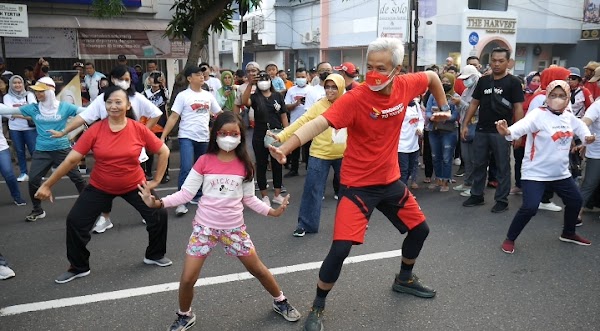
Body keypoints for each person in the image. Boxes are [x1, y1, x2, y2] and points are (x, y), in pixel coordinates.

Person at [269, 38, 448, 331]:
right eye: (370, 67)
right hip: (358, 187)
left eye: (381, 68)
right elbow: (320, 123)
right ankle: (317, 307)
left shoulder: (405, 85)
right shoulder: (356, 97)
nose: (374, 73)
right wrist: (287, 147)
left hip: (390, 182)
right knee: (340, 249)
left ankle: (404, 278)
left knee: (420, 230)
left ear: (397, 69)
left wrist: (443, 107)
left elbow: (431, 77)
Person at [138, 111, 300, 331]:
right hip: (204, 229)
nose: (228, 137)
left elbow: (250, 198)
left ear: (241, 136)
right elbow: (186, 194)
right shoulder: (204, 161)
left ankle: (280, 300)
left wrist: (273, 212)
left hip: (234, 230)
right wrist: (157, 203)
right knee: (187, 279)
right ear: (215, 135)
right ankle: (185, 315)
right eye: (223, 133)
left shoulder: (245, 165)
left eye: (233, 133)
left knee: (259, 270)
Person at [33, 86, 171, 283]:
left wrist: (155, 180)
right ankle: (78, 266)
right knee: (75, 221)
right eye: (109, 102)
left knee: (159, 214)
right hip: (100, 185)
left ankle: (155, 255)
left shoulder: (138, 129)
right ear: (104, 105)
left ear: (128, 104)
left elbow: (164, 151)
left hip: (134, 184)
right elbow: (71, 160)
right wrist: (48, 185)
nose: (113, 106)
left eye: (118, 102)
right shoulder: (96, 130)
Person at [52, 65, 164, 233]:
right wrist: (64, 132)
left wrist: (143, 133)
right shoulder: (102, 99)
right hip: (107, 150)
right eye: (120, 79)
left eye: (127, 79)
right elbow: (84, 117)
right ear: (112, 79)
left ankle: (147, 211)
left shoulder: (137, 98)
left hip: (132, 152)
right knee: (105, 186)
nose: (124, 83)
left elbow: (156, 113)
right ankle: (105, 218)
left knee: (140, 186)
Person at [496, 80, 594, 254]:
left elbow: (582, 129)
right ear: (547, 97)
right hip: (535, 173)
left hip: (560, 173)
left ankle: (568, 233)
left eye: (562, 96)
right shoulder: (537, 115)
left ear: (567, 98)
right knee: (530, 207)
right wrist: (507, 131)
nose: (557, 99)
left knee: (576, 201)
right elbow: (521, 127)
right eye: (553, 95)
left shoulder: (568, 116)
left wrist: (588, 138)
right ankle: (510, 238)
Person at [0, 77, 87, 222]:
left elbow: (86, 112)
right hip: (42, 151)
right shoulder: (33, 108)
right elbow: (9, 110)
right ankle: (37, 210)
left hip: (62, 149)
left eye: (40, 91)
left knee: (77, 178)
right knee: (33, 179)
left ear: (50, 91)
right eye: (35, 92)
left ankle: (87, 206)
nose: (37, 94)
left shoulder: (65, 107)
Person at [274, 74, 345, 237]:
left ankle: (352, 223)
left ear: (341, 88)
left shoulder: (348, 103)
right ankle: (306, 224)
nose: (330, 90)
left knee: (348, 192)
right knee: (312, 189)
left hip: (345, 154)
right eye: (327, 87)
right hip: (319, 153)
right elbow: (302, 121)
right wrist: (283, 135)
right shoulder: (320, 105)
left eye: (334, 87)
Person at [461, 47, 525, 213]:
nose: (496, 64)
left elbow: (518, 108)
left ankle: (502, 200)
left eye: (501, 61)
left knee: (503, 167)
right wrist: (465, 124)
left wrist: (517, 132)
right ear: (489, 61)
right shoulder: (483, 81)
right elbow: (474, 103)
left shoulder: (514, 82)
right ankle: (477, 195)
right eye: (494, 60)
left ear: (508, 62)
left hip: (502, 132)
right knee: (478, 164)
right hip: (482, 129)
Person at [161, 66, 222, 216]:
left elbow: (219, 113)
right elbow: (174, 117)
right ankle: (181, 201)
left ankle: (198, 195)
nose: (202, 76)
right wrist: (163, 136)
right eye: (198, 74)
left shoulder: (208, 95)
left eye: (203, 74)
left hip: (204, 138)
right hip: (186, 136)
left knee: (203, 169)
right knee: (186, 168)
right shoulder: (183, 96)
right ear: (189, 78)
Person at [242, 70, 289, 205]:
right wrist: (250, 84)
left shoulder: (277, 96)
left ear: (270, 81)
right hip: (260, 133)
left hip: (276, 134)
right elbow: (245, 101)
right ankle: (264, 196)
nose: (263, 81)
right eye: (260, 79)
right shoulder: (255, 97)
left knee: (277, 164)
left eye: (265, 78)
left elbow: (283, 115)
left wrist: (287, 133)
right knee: (261, 164)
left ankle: (277, 194)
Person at [426, 73, 459, 192]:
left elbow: (456, 115)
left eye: (447, 82)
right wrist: (433, 117)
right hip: (434, 130)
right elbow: (428, 110)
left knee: (446, 157)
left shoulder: (455, 97)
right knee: (435, 156)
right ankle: (438, 178)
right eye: (442, 81)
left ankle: (445, 180)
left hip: (449, 131)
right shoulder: (433, 95)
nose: (444, 84)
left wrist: (444, 117)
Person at [452, 65, 481, 194]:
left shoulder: (479, 90)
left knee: (475, 158)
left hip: (475, 126)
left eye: (467, 78)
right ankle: (467, 182)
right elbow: (462, 110)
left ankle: (475, 186)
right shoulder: (466, 90)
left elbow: (477, 110)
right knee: (466, 157)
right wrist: (457, 104)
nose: (464, 81)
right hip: (465, 125)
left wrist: (461, 103)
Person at [3, 75, 37, 182]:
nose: (17, 85)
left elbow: (33, 110)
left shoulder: (29, 95)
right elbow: (8, 113)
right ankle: (23, 173)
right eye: (15, 83)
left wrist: (16, 112)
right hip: (15, 129)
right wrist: (25, 114)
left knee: (34, 151)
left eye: (19, 83)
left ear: (23, 84)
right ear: (11, 84)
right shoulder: (7, 97)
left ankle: (37, 173)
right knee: (19, 151)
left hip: (29, 129)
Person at [283, 67, 313, 178]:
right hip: (295, 123)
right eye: (299, 77)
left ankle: (309, 169)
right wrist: (296, 103)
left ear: (307, 77)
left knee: (309, 148)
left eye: (303, 77)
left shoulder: (312, 90)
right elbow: (286, 107)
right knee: (295, 147)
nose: (301, 79)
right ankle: (294, 169)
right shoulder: (291, 90)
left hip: (309, 123)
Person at [143, 72, 171, 183]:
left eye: (157, 78)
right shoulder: (144, 94)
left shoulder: (164, 92)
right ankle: (148, 172)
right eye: (152, 78)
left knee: (163, 149)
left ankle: (165, 173)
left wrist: (162, 85)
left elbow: (166, 101)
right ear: (149, 79)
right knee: (148, 150)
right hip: (149, 125)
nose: (155, 81)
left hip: (162, 124)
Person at [398, 97, 424, 186]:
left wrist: (420, 128)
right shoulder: (399, 105)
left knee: (410, 169)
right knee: (403, 170)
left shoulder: (416, 104)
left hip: (414, 144)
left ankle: (404, 191)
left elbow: (421, 119)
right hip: (401, 145)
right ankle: (403, 194)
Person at [0, 123, 27, 206]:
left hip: (1, 147)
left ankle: (17, 197)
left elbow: (15, 113)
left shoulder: (2, 109)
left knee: (8, 173)